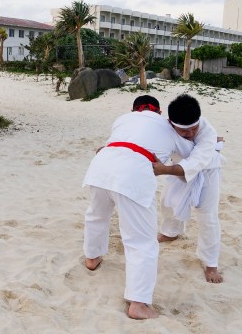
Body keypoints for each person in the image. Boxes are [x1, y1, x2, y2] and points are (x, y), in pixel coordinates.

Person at [82, 95, 193, 319]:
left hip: (101, 166)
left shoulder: (123, 119)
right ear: (159, 112)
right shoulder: (167, 126)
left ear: (134, 110)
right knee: (141, 241)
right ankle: (139, 304)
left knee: (97, 216)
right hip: (133, 172)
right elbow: (189, 149)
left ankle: (92, 258)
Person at [153, 94, 224, 284]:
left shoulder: (207, 131)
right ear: (171, 123)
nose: (191, 133)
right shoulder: (164, 128)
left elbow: (196, 162)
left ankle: (211, 263)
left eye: (194, 128)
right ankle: (170, 232)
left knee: (207, 216)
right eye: (185, 131)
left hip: (207, 172)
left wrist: (164, 170)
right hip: (177, 170)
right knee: (167, 202)